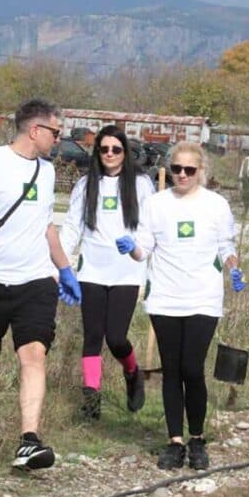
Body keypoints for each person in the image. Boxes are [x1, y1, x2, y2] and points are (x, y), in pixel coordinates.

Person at [0, 98, 81, 470]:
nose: (58, 139)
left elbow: (46, 227)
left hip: (35, 280)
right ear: (35, 130)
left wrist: (65, 269)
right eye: (55, 132)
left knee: (34, 354)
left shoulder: (48, 171)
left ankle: (29, 440)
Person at [114, 141, 245, 470]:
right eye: (176, 169)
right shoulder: (156, 204)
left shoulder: (216, 205)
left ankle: (197, 438)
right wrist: (131, 248)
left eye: (189, 170)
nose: (182, 175)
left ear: (201, 172)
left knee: (192, 367)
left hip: (203, 296)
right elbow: (144, 247)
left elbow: (226, 246)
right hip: (165, 298)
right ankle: (174, 441)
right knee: (171, 369)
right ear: (169, 169)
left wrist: (233, 268)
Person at [59, 125, 155, 419]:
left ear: (125, 153)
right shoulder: (86, 184)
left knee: (115, 336)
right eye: (104, 149)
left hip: (126, 271)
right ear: (97, 152)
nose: (110, 154)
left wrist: (138, 249)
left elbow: (149, 228)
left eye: (116, 149)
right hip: (92, 271)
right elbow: (72, 226)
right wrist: (60, 264)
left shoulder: (140, 184)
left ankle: (132, 372)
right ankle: (91, 398)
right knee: (92, 336)